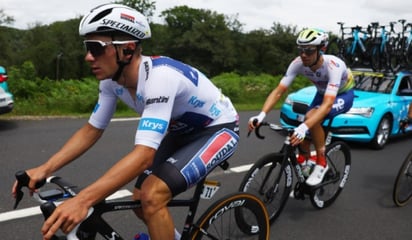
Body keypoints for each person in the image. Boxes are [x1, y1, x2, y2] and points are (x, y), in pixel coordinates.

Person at [12, 4, 239, 240]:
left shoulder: (159, 79)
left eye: (95, 48)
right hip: (180, 131)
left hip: (217, 128)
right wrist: (44, 169)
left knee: (152, 196)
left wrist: (83, 200)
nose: (88, 57)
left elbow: (143, 157)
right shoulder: (111, 82)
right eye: (86, 48)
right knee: (140, 199)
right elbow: (92, 130)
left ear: (127, 50)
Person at [248, 28, 354, 186]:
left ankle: (321, 163)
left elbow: (327, 104)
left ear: (321, 49)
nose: (304, 54)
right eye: (301, 50)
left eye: (309, 50)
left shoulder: (334, 65)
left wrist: (304, 127)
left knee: (309, 120)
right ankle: (304, 166)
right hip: (321, 94)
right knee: (303, 140)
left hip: (342, 95)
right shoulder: (297, 63)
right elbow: (278, 92)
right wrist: (261, 115)